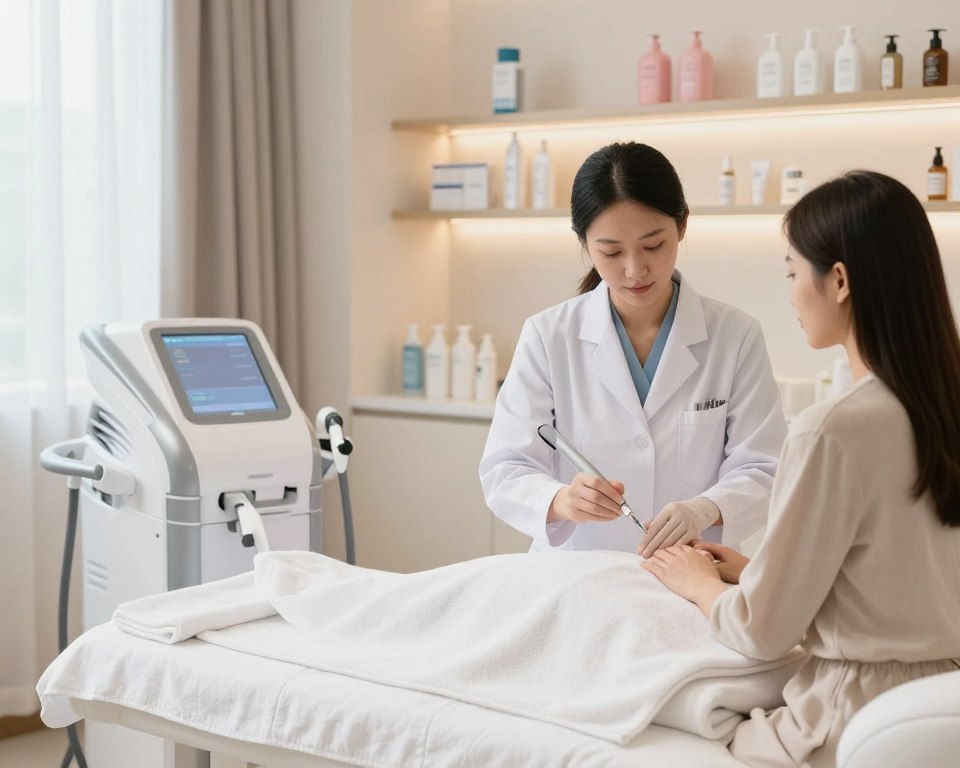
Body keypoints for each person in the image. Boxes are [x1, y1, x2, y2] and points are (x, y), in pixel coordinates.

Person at [642, 170, 960, 768]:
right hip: (941, 702)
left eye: (792, 273)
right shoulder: (943, 408)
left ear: (838, 280)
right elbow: (899, 570)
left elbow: (760, 630)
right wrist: (756, 569)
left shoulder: (833, 428)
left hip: (848, 716)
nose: (790, 293)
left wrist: (698, 584)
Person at [479, 142, 786, 557]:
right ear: (584, 243)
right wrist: (561, 501)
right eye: (611, 252)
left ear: (682, 226)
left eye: (653, 245)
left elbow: (765, 469)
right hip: (575, 574)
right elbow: (505, 469)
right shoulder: (548, 337)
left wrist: (707, 508)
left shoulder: (736, 336)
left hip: (691, 572)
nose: (634, 269)